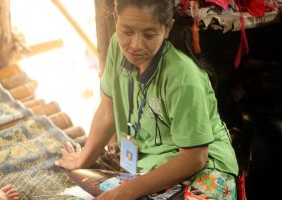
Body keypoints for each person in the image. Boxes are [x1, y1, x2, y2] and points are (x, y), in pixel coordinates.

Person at [55, 0, 239, 199]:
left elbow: (194, 158)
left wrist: (124, 192)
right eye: (127, 32)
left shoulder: (184, 78)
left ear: (167, 28)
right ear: (116, 19)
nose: (135, 45)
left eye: (149, 35)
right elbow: (108, 110)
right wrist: (82, 159)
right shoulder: (117, 46)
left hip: (203, 169)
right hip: (151, 168)